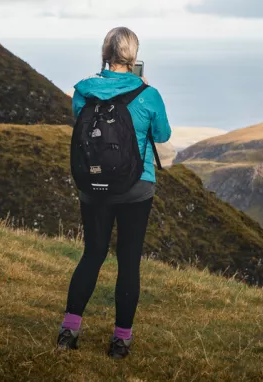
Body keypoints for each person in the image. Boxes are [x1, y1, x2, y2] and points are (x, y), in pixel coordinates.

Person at [57, 27, 171, 359]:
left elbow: (84, 125)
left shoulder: (84, 91)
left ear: (105, 53)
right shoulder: (147, 94)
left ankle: (69, 331)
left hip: (93, 187)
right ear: (133, 57)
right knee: (128, 260)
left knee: (92, 254)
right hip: (136, 188)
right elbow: (162, 134)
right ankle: (120, 341)